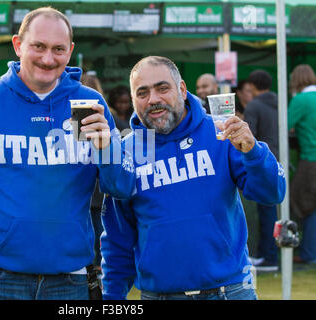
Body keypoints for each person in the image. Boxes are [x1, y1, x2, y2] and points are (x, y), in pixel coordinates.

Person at [0, 7, 135, 300]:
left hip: (70, 281)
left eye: (58, 49)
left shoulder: (87, 103)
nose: (48, 58)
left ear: (70, 51)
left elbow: (122, 187)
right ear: (18, 45)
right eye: (38, 46)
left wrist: (107, 147)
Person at [100, 56, 286, 300]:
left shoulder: (222, 133)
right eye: (142, 92)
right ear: (134, 100)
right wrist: (111, 298)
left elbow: (272, 192)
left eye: (162, 88)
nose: (153, 99)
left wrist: (254, 152)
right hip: (160, 295)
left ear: (183, 90)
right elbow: (117, 238)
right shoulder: (124, 154)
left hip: (229, 292)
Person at [244, 70, 280, 271]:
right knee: (273, 211)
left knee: (266, 211)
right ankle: (269, 254)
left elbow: (250, 137)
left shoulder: (254, 105)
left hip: (262, 163)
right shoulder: (279, 102)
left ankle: (268, 257)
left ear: (252, 85)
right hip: (279, 160)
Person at [288, 64, 316, 264]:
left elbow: (285, 126)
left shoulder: (301, 100)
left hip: (310, 159)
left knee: (306, 206)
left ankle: (308, 253)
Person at [80, 71, 105, 271]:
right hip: (99, 191)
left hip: (85, 190)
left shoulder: (106, 118)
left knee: (92, 234)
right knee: (100, 235)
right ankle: (97, 273)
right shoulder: (107, 116)